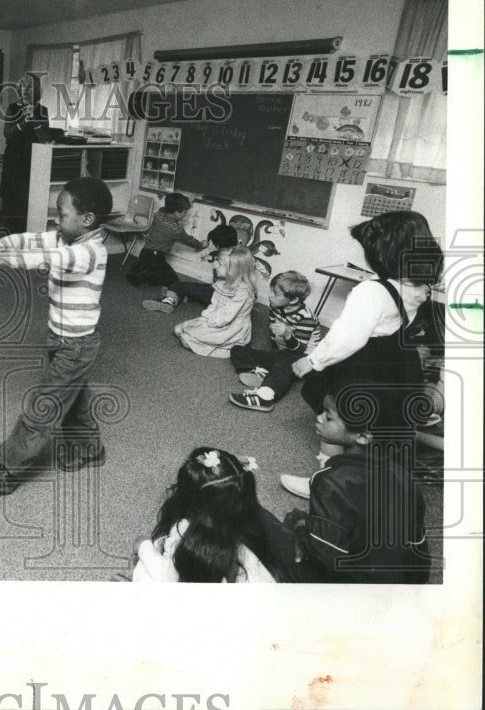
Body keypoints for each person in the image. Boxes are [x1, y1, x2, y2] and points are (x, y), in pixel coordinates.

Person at [284, 211, 442, 497]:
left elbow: (348, 337)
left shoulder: (371, 290)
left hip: (363, 363)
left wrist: (312, 360)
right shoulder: (418, 285)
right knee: (375, 425)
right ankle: (362, 475)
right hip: (394, 362)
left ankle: (325, 483)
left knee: (334, 414)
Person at [0, 178, 113, 495]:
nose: (56, 220)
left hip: (76, 345)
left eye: (62, 214)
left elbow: (48, 259)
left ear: (87, 219)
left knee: (44, 405)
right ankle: (91, 450)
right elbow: (32, 240)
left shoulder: (91, 253)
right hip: (61, 338)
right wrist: (1, 246)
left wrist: (3, 260)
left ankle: (9, 469)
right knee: (74, 398)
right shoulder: (65, 237)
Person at [267, 382, 432, 584]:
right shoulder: (404, 477)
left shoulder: (328, 481)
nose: (319, 418)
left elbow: (326, 555)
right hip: (400, 583)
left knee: (280, 522)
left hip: (353, 587)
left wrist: (301, 528)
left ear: (363, 436)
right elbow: (417, 547)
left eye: (328, 417)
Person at [131, 447, 278, 583]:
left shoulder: (184, 535)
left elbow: (166, 577)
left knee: (144, 571)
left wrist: (143, 546)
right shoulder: (254, 524)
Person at [228, 270, 323, 412]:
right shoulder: (275, 306)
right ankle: (262, 373)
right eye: (270, 290)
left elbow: (300, 350)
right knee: (237, 350)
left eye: (275, 293)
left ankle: (265, 397)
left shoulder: (306, 318)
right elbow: (272, 331)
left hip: (304, 359)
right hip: (284, 352)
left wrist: (288, 335)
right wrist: (274, 351)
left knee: (286, 363)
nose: (269, 295)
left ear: (293, 300)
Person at [132, 193, 210, 312]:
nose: (185, 214)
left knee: (148, 271)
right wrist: (202, 244)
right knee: (175, 282)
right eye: (184, 212)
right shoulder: (176, 229)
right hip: (156, 258)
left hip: (144, 254)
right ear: (177, 213)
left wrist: (187, 201)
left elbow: (168, 207)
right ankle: (169, 300)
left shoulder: (158, 214)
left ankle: (140, 274)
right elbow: (190, 241)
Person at [173, 246, 256, 358]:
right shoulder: (222, 282)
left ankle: (230, 350)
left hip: (229, 328)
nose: (214, 264)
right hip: (214, 319)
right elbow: (214, 304)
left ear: (233, 270)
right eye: (216, 260)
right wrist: (205, 318)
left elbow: (226, 318)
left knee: (185, 340)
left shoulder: (242, 292)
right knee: (177, 329)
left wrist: (208, 322)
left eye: (219, 263)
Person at [0, 73, 50, 234]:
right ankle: (10, 232)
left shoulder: (42, 111)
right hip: (13, 159)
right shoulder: (13, 108)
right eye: (23, 86)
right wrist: (23, 122)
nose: (25, 90)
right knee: (9, 196)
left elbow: (45, 138)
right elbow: (7, 134)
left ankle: (25, 235)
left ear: (36, 90)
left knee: (27, 199)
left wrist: (34, 119)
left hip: (32, 160)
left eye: (30, 87)